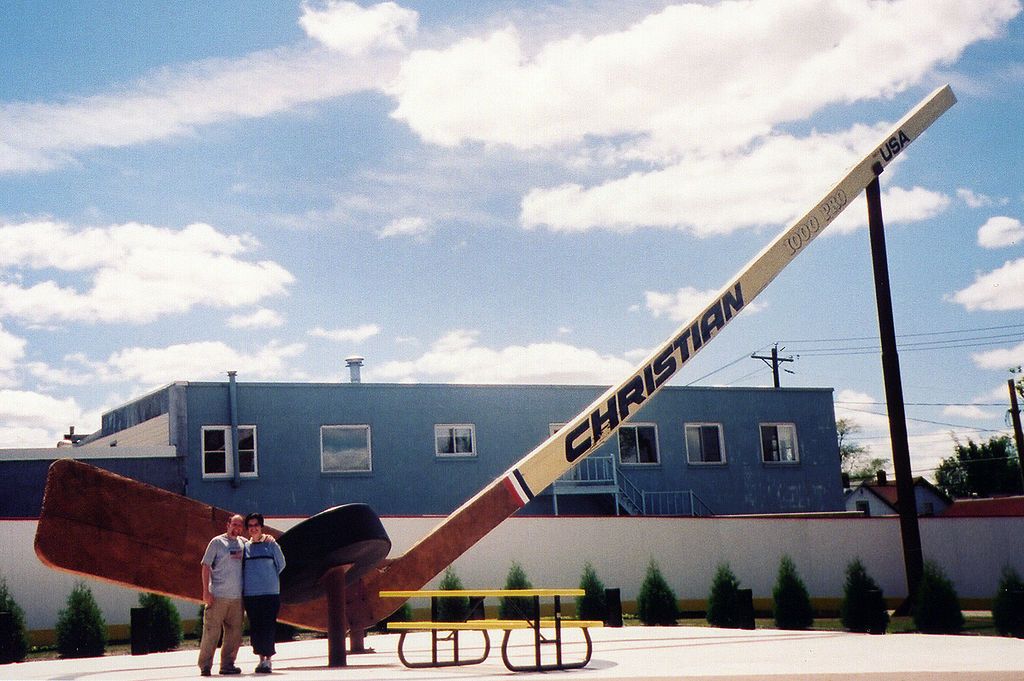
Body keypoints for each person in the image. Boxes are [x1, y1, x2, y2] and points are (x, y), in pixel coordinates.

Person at [198, 514, 246, 676]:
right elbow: (205, 566)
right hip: (218, 596)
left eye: (240, 525)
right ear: (228, 524)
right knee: (212, 632)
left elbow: (258, 542)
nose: (237, 528)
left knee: (234, 634)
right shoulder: (217, 542)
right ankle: (205, 666)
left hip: (237, 599)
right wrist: (206, 591)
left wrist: (267, 538)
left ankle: (227, 664)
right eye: (234, 524)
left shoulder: (243, 544)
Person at [243, 512, 286, 674]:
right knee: (256, 628)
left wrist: (268, 578)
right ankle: (260, 659)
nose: (253, 528)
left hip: (269, 593)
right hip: (251, 595)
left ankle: (268, 660)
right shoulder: (245, 547)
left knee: (268, 626)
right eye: (250, 526)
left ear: (261, 527)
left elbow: (281, 564)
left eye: (256, 525)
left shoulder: (271, 544)